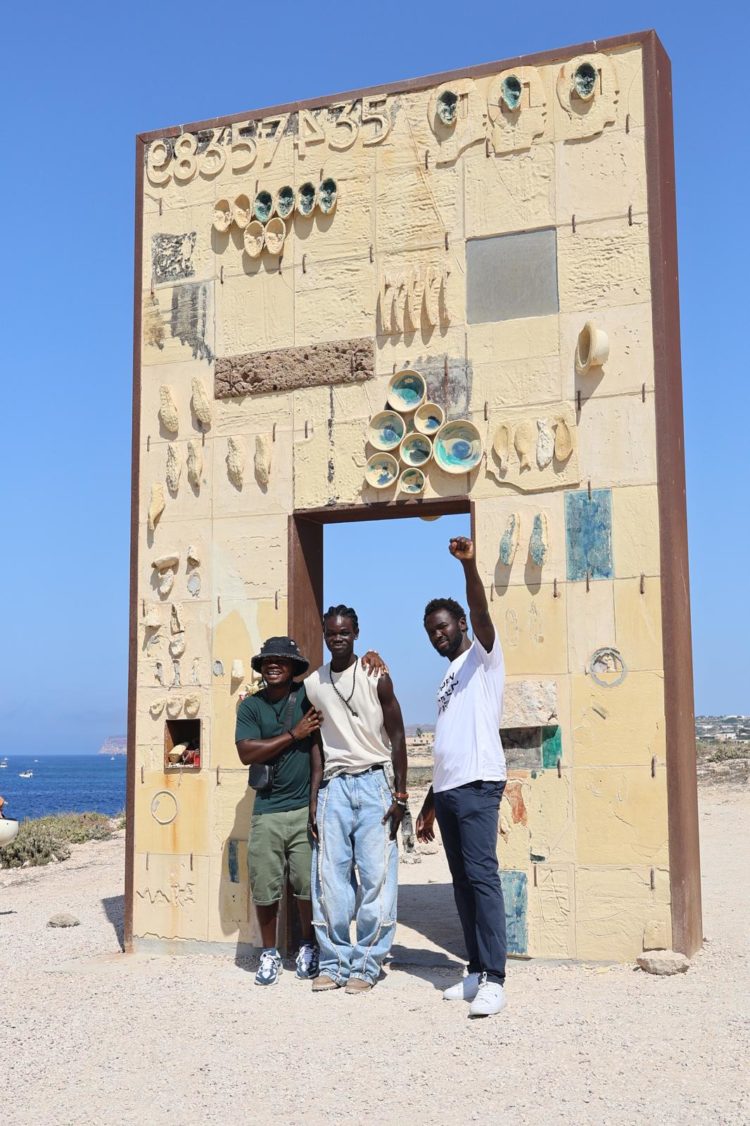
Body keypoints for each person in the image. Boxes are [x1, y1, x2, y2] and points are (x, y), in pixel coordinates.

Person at [416, 537, 508, 1018]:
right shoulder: (447, 680)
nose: (438, 636)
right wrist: (430, 799)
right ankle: (475, 971)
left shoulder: (482, 659)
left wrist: (469, 567)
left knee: (482, 878)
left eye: (444, 627)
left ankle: (496, 977)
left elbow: (481, 609)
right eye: (431, 631)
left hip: (478, 785)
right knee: (461, 883)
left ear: (461, 626)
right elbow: (448, 741)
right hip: (450, 789)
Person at [307, 605, 408, 994]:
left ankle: (366, 963)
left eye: (345, 632)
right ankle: (333, 963)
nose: (338, 638)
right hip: (334, 785)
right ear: (325, 634)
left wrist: (400, 794)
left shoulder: (375, 675)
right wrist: (315, 800)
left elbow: (397, 735)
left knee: (377, 878)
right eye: (332, 633)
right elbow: (317, 744)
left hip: (374, 783)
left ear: (357, 633)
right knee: (329, 881)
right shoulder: (313, 684)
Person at [235, 636, 323, 987]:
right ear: (261, 666)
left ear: (293, 668)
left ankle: (308, 945)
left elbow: (340, 676)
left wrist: (371, 659)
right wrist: (293, 734)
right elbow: (246, 752)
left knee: (305, 885)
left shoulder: (306, 696)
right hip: (266, 811)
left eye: (282, 661)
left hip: (302, 808)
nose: (274, 665)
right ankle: (269, 953)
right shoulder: (250, 707)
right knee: (265, 888)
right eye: (268, 660)